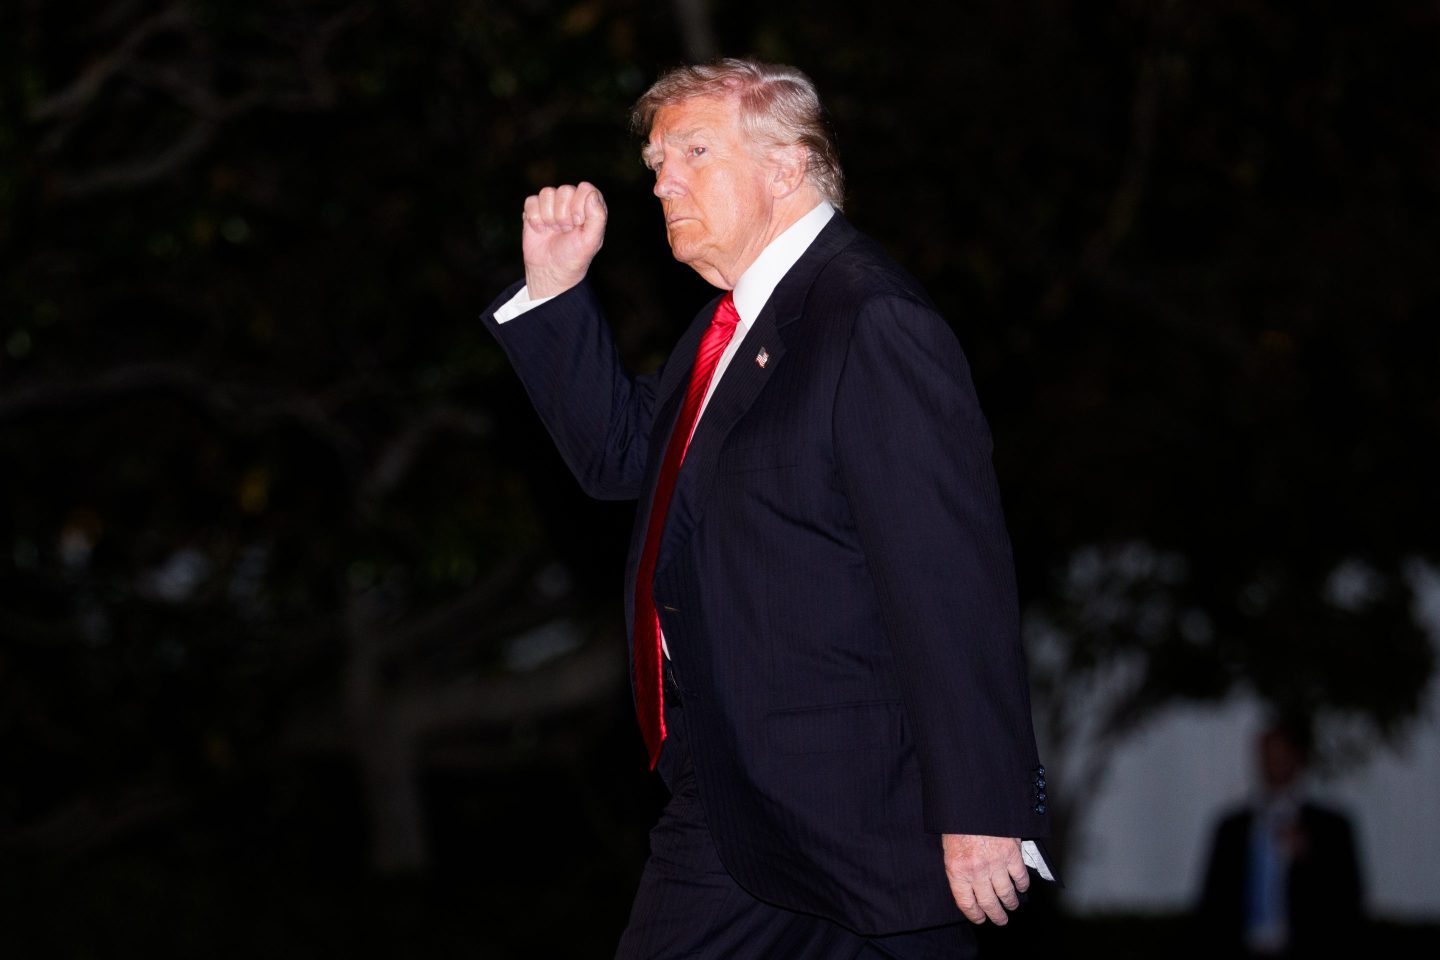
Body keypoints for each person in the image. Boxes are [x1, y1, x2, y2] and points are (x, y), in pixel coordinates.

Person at [481, 57, 1056, 958]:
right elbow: (624, 459)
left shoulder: (868, 320)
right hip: (734, 798)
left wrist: (983, 806)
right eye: (656, 164)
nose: (663, 181)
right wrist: (556, 294)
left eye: (693, 152)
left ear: (786, 168)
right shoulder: (732, 328)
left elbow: (950, 579)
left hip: (862, 807)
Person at [1195, 716, 1367, 958]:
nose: (1273, 763)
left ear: (1298, 758)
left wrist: (1309, 855)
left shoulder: (1330, 827)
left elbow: (1348, 900)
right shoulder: (1232, 827)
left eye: (1281, 754)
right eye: (1267, 755)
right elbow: (1213, 903)